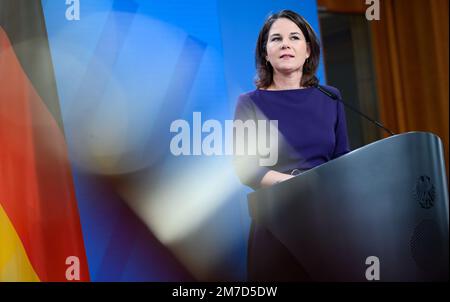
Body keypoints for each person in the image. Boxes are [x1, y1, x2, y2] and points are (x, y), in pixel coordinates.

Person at [233, 9, 350, 281]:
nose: (285, 44)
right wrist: (297, 186)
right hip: (275, 229)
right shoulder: (250, 103)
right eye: (276, 39)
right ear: (265, 53)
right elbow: (247, 169)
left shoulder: (330, 97)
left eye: (294, 37)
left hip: (327, 224)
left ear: (307, 50)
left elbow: (342, 158)